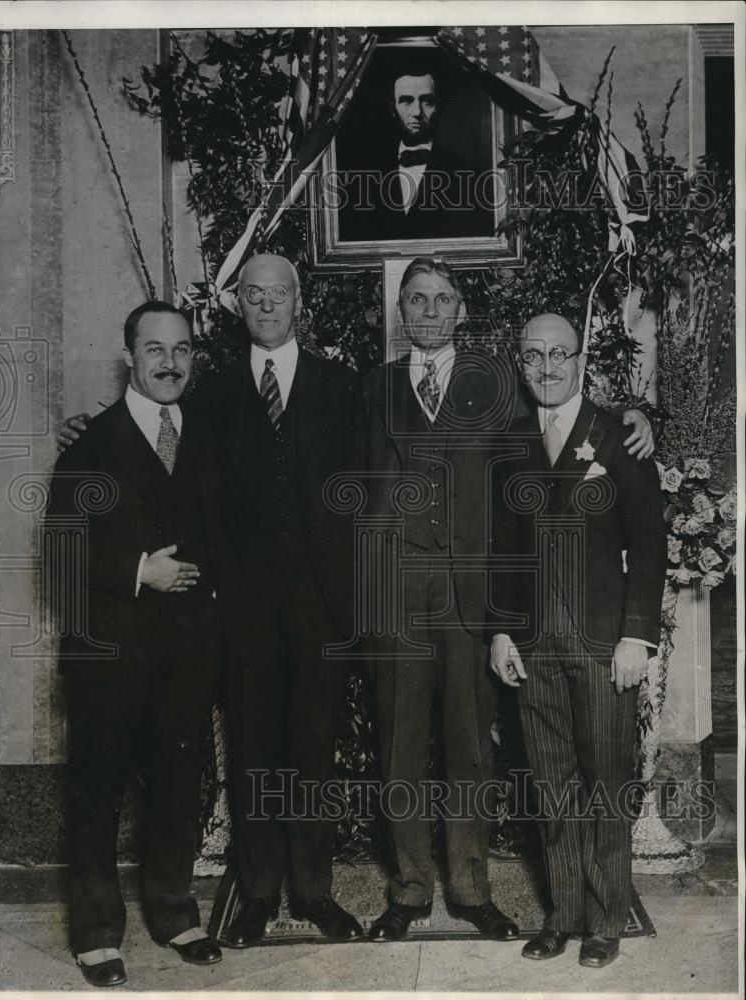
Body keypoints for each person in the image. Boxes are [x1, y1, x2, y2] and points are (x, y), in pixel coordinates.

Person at [60, 256, 366, 947]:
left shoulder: (342, 385)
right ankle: (256, 893)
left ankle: (314, 891)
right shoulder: (211, 392)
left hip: (321, 604)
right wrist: (83, 432)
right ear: (238, 305)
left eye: (278, 293)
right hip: (237, 608)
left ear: (298, 301)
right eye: (253, 294)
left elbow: (368, 489)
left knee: (313, 750)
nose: (267, 305)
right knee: (252, 751)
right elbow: (145, 435)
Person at [362, 261, 655, 943]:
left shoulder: (497, 384)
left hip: (477, 601)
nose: (430, 311)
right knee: (400, 749)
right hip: (398, 599)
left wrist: (638, 414)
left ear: (461, 309)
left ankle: (471, 892)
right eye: (416, 300)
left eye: (442, 299)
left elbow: (568, 406)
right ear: (401, 310)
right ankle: (409, 890)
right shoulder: (370, 388)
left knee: (472, 749)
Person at [47, 302, 223, 988]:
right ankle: (95, 936)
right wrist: (138, 571)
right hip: (110, 651)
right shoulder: (89, 448)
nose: (169, 363)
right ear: (130, 357)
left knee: (177, 787)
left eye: (181, 349)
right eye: (155, 349)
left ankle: (175, 914)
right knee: (98, 794)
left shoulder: (206, 437)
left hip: (186, 652)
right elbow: (61, 556)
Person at [489, 313, 666, 969]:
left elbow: (649, 546)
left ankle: (604, 921)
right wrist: (500, 631)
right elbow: (502, 548)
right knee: (550, 783)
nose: (547, 367)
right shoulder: (511, 442)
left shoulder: (617, 434)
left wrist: (635, 637)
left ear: (580, 359)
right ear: (520, 362)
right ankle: (562, 915)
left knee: (605, 783)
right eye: (533, 355)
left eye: (559, 354)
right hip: (533, 645)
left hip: (602, 644)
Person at [338, 66, 487, 241]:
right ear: (392, 108)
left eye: (426, 101)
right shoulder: (365, 173)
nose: (417, 112)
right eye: (406, 101)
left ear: (438, 106)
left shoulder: (467, 174)